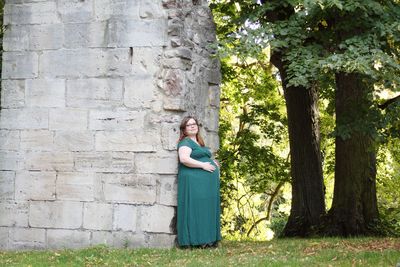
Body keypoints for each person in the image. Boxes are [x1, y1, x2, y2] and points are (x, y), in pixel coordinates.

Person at [176, 116, 221, 248]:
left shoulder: (198, 142)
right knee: (196, 210)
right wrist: (203, 165)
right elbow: (184, 159)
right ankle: (196, 240)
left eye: (194, 124)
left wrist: (213, 163)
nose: (192, 126)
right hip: (194, 183)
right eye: (189, 125)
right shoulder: (185, 142)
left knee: (206, 209)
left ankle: (208, 239)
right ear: (184, 129)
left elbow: (201, 156)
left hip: (206, 184)